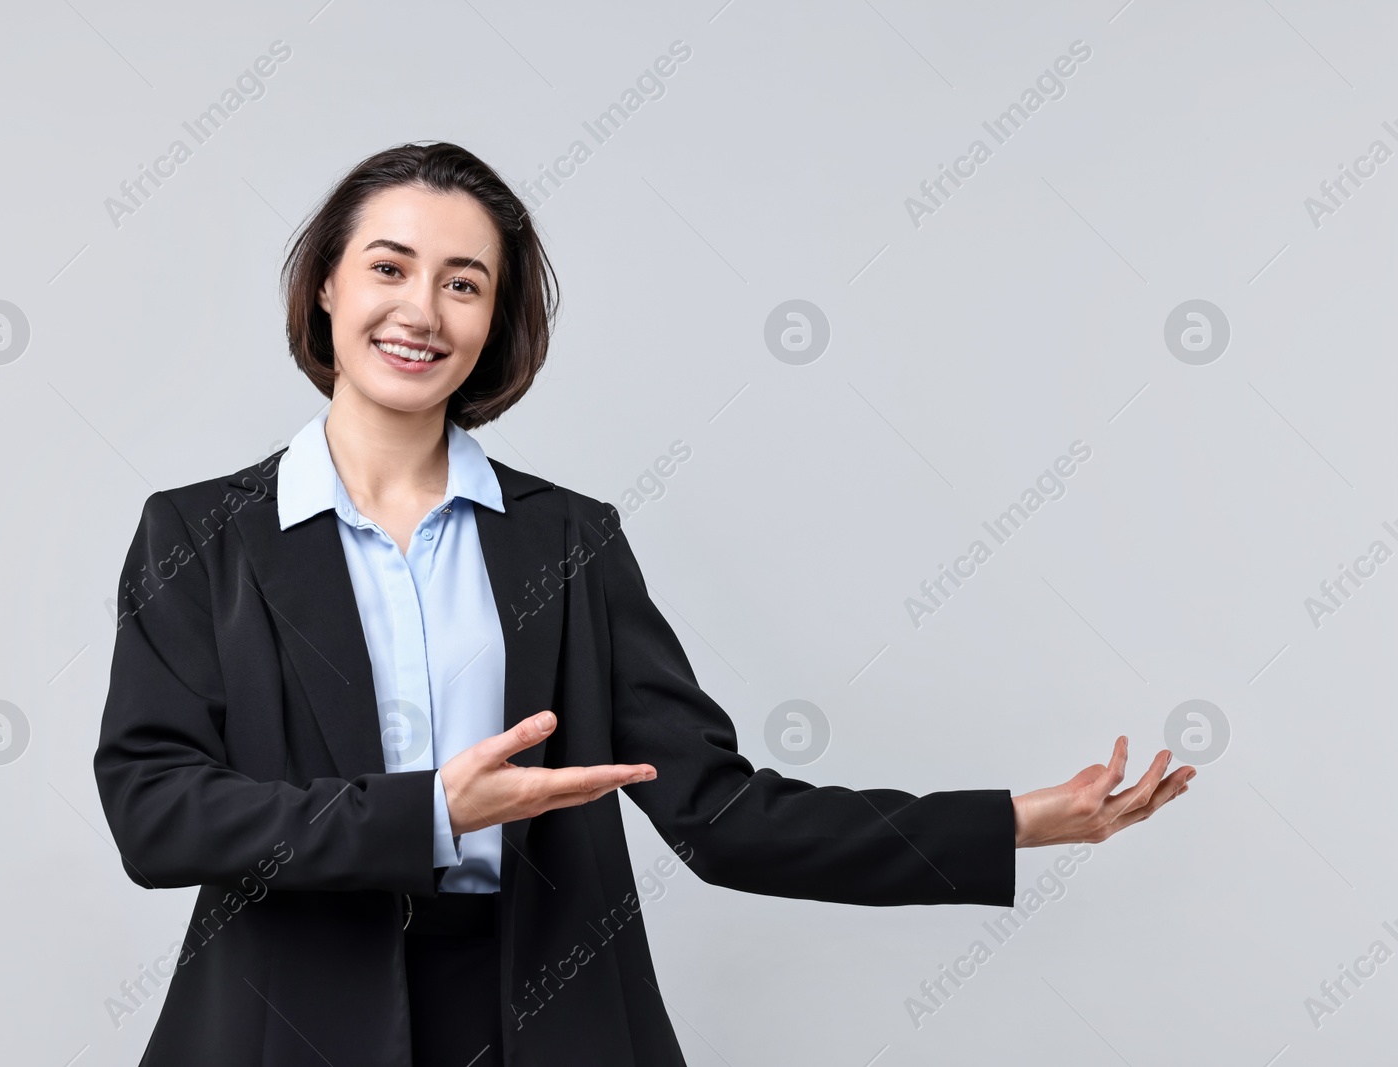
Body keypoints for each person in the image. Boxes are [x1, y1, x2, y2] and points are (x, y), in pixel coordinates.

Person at [93, 141, 1194, 1067]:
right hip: (282, 1020)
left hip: (543, 1012)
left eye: (464, 282)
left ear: (494, 321)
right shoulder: (198, 535)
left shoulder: (568, 540)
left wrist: (1008, 820)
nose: (420, 309)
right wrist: (428, 811)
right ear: (328, 284)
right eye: (390, 266)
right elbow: (157, 812)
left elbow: (721, 812)